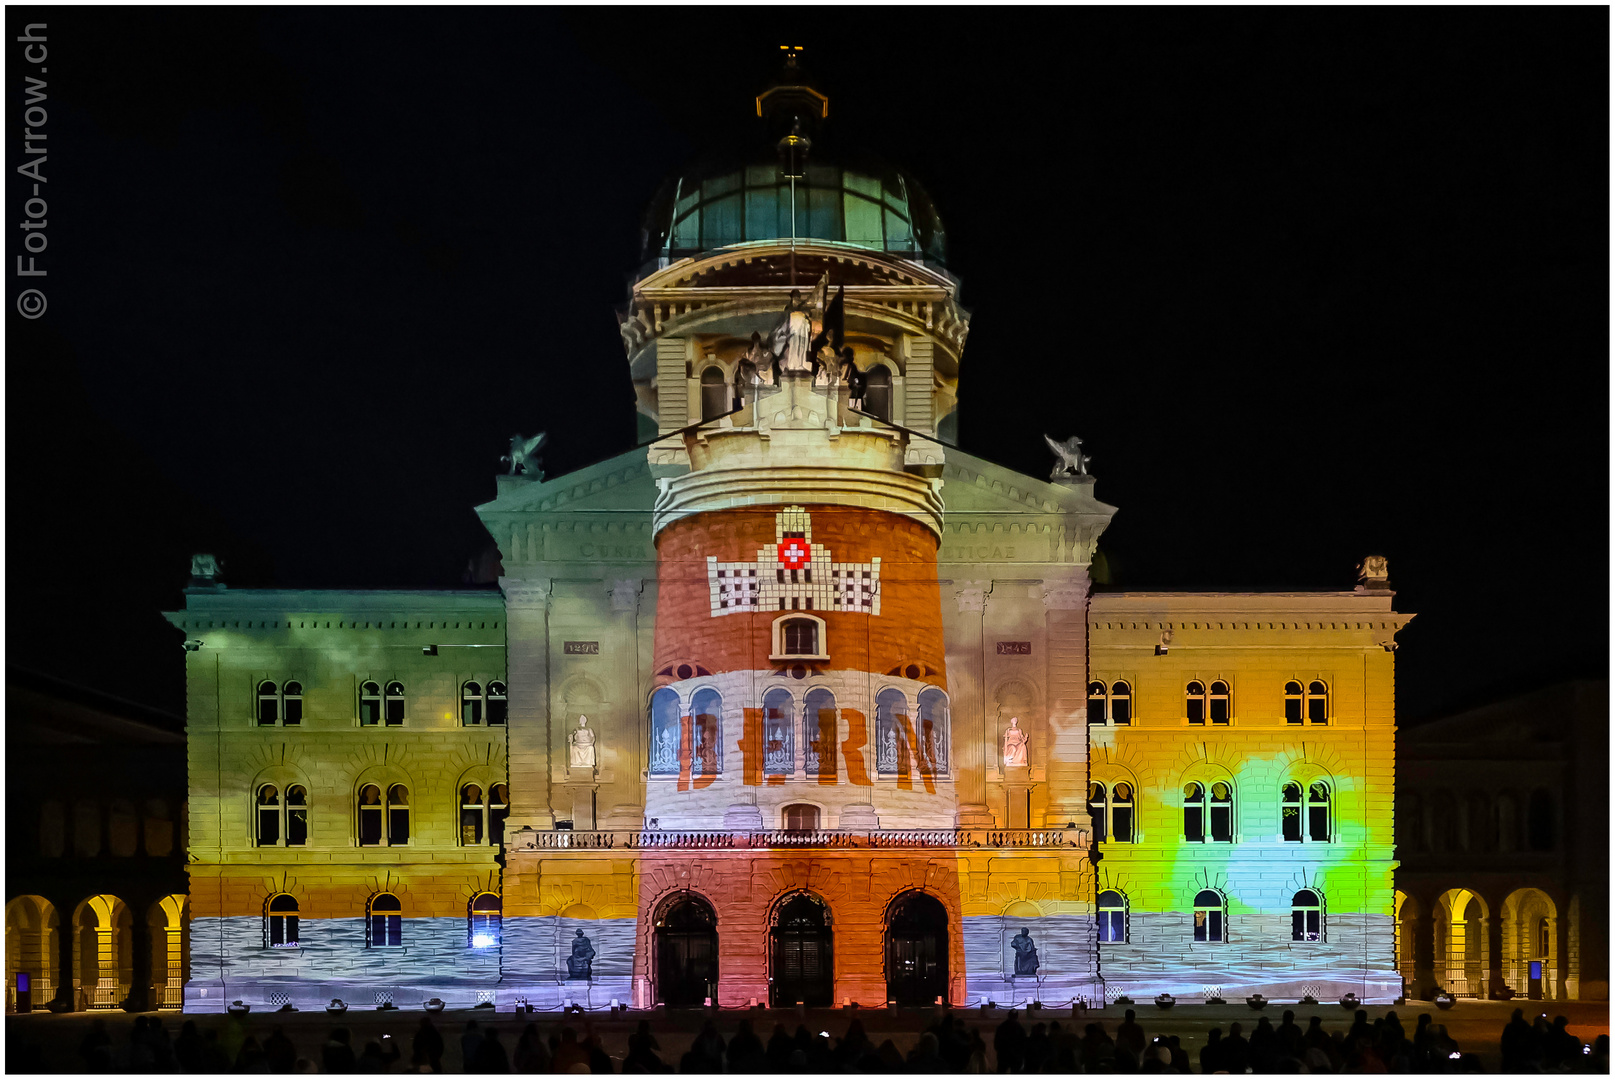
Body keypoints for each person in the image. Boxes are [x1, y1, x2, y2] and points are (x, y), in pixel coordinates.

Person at [993, 1009, 1027, 1073]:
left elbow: (996, 1043)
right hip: (1015, 1057)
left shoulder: (1002, 1027)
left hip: (1003, 1056)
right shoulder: (1020, 1028)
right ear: (1017, 1016)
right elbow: (1023, 1044)